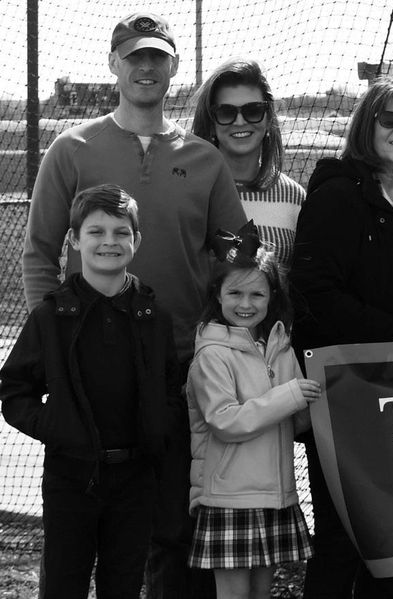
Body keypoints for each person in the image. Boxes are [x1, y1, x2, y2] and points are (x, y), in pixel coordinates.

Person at [21, 13, 247, 598]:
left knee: (169, 527)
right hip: (90, 371)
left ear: (174, 66)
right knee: (75, 542)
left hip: (177, 369)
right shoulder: (70, 149)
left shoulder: (203, 158)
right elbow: (40, 253)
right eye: (133, 56)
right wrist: (57, 351)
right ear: (113, 64)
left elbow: (237, 253)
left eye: (157, 56)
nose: (145, 67)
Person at [289, 76, 393, 599]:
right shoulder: (339, 194)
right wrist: (392, 336)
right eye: (389, 119)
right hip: (349, 394)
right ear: (367, 125)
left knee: (390, 541)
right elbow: (313, 291)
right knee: (341, 539)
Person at [1, 185, 182, 598]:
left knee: (123, 583)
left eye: (121, 232)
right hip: (70, 477)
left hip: (136, 479)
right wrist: (59, 427)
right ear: (75, 240)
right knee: (64, 582)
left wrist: (160, 426)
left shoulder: (153, 316)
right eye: (96, 231)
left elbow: (172, 386)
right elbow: (14, 391)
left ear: (136, 241)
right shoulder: (52, 316)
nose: (109, 242)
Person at [186, 222, 317, 599]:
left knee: (263, 593)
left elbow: (293, 420)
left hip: (275, 495)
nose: (246, 304)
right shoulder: (212, 353)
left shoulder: (280, 345)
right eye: (235, 293)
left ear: (272, 295)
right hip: (230, 498)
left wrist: (314, 405)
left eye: (257, 294)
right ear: (218, 294)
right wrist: (292, 396)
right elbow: (226, 420)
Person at [191, 58, 305, 266]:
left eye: (253, 110)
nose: (240, 122)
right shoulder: (190, 190)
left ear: (268, 117)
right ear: (211, 122)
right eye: (226, 112)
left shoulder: (295, 198)